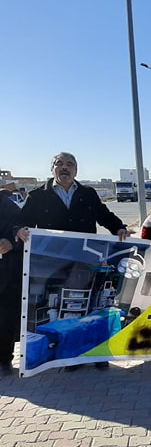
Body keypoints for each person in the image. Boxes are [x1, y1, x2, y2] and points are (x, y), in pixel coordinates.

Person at [15, 152, 131, 370]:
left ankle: (97, 355)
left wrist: (119, 227)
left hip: (86, 264)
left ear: (76, 170)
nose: (65, 168)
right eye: (59, 164)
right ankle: (69, 356)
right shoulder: (38, 197)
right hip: (55, 266)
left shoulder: (88, 194)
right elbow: (23, 222)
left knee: (92, 310)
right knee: (66, 313)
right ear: (52, 169)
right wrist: (18, 230)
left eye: (70, 164)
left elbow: (104, 216)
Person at [0, 191, 22, 374]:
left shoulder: (8, 207)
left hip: (5, 274)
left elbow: (22, 231)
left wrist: (11, 243)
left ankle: (3, 360)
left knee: (5, 319)